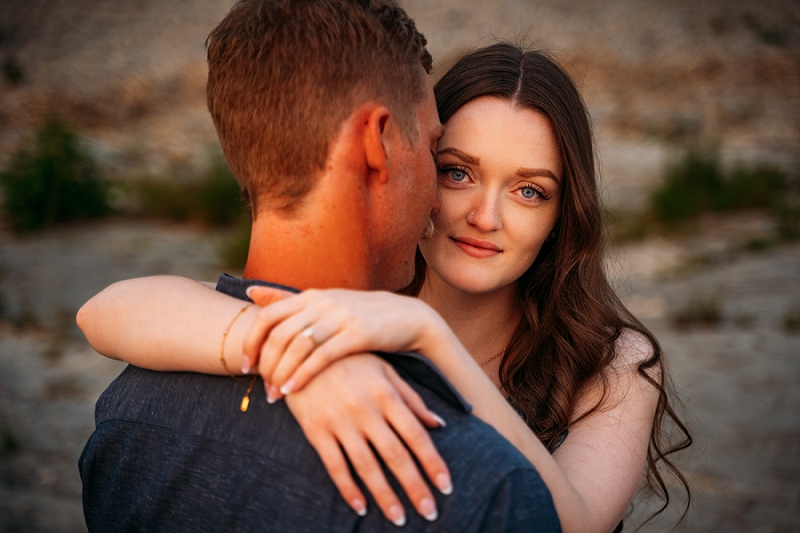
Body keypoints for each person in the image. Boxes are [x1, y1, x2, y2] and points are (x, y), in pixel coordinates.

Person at [77, 0, 563, 531]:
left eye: (530, 190)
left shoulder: (126, 410)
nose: (442, 204)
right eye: (433, 150)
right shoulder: (477, 482)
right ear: (376, 143)